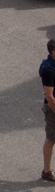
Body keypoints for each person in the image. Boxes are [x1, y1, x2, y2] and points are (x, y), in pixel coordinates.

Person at [39, 38, 55, 182]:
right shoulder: (49, 70)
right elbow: (49, 96)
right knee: (51, 139)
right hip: (53, 109)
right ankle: (46, 171)